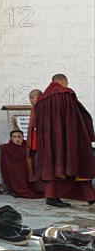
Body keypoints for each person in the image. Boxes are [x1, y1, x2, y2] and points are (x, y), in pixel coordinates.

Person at [34, 74, 95, 207]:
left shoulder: (40, 101)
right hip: (67, 137)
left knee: (53, 166)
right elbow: (77, 116)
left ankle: (88, 196)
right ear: (62, 82)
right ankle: (89, 195)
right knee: (79, 162)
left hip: (48, 142)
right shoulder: (66, 93)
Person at [0, 118, 42, 199]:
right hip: (15, 169)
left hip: (28, 168)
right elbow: (7, 164)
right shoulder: (7, 148)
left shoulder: (26, 145)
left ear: (22, 137)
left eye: (19, 136)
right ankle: (22, 190)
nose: (17, 139)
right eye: (15, 137)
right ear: (11, 138)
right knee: (18, 171)